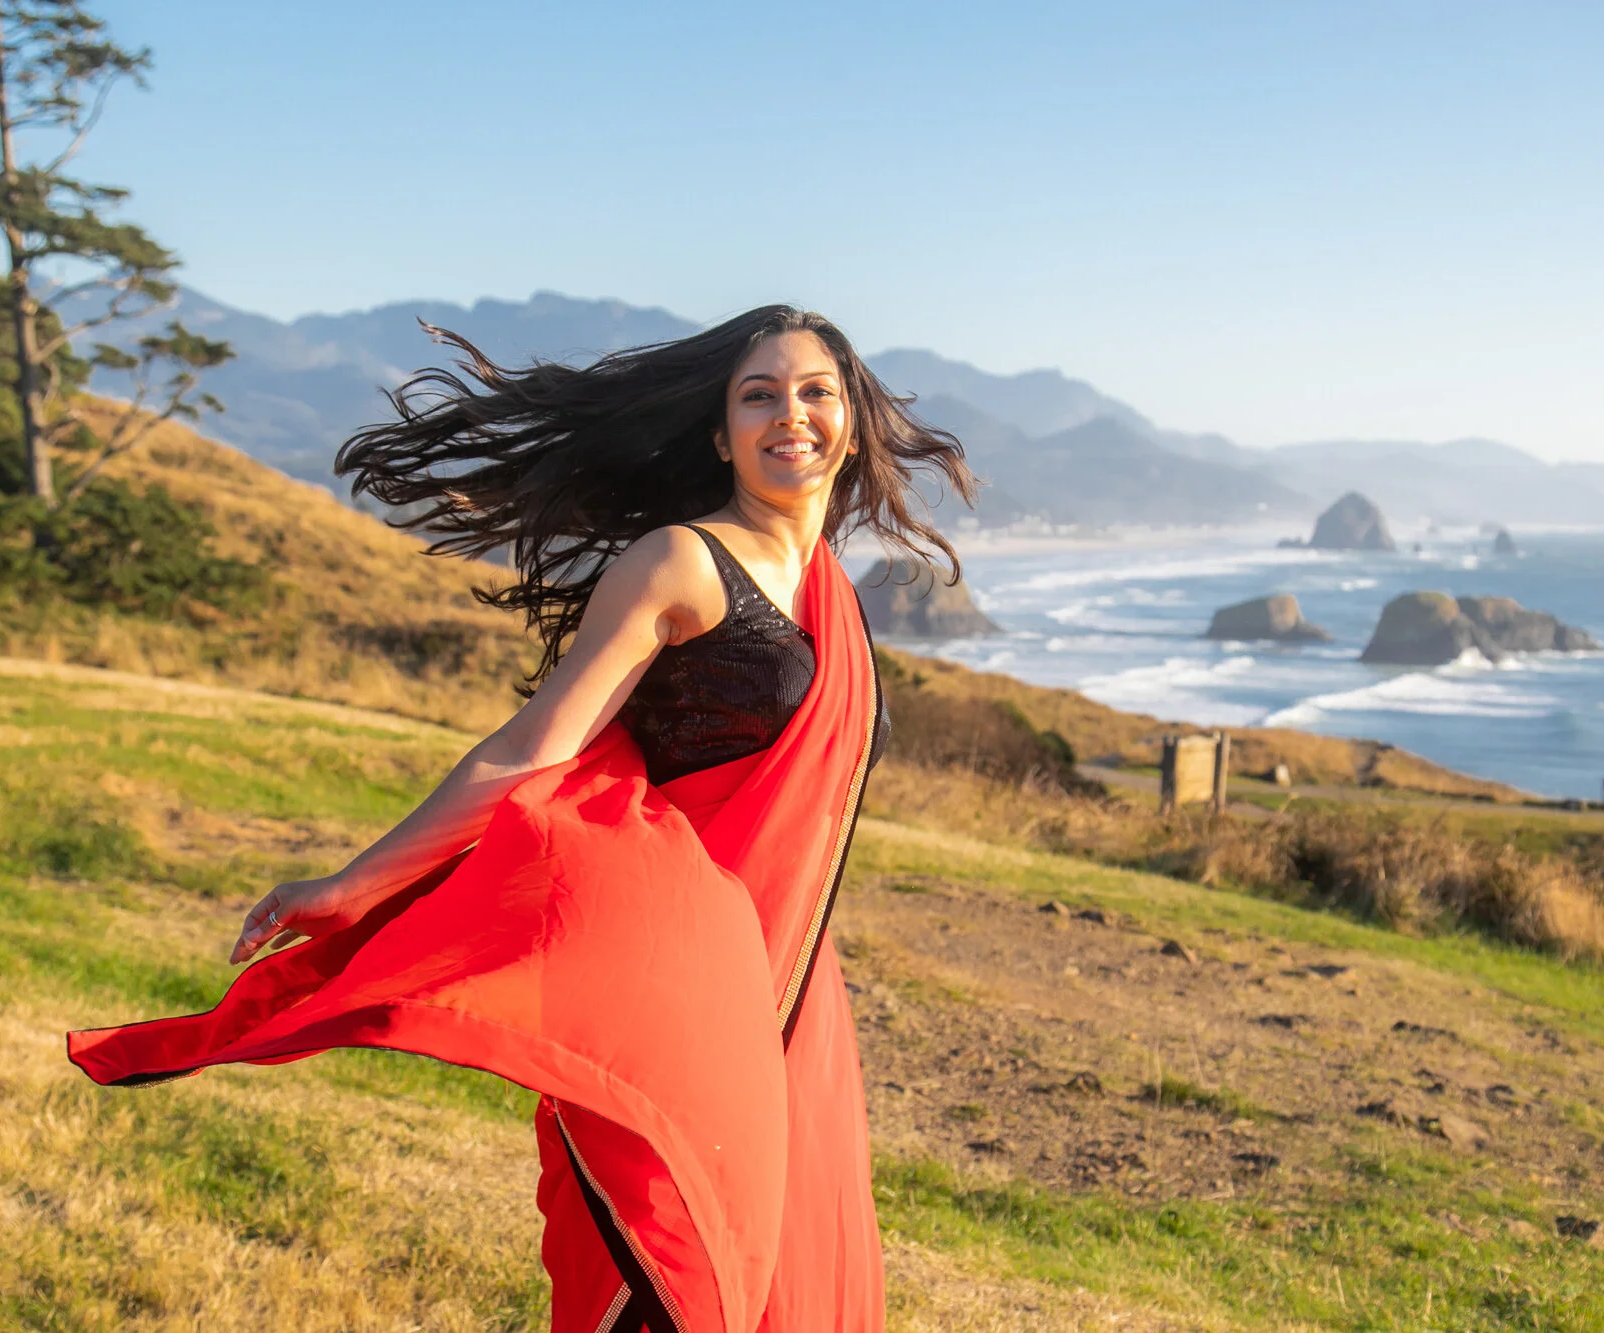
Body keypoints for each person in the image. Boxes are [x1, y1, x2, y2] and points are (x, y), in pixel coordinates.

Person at [67, 306, 975, 1332]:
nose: (789, 414)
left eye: (814, 391)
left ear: (850, 419)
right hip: (679, 987)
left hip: (794, 989)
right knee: (680, 1274)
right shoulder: (678, 562)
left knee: (786, 1289)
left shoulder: (830, 594)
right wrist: (352, 883)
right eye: (757, 394)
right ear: (721, 434)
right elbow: (532, 747)